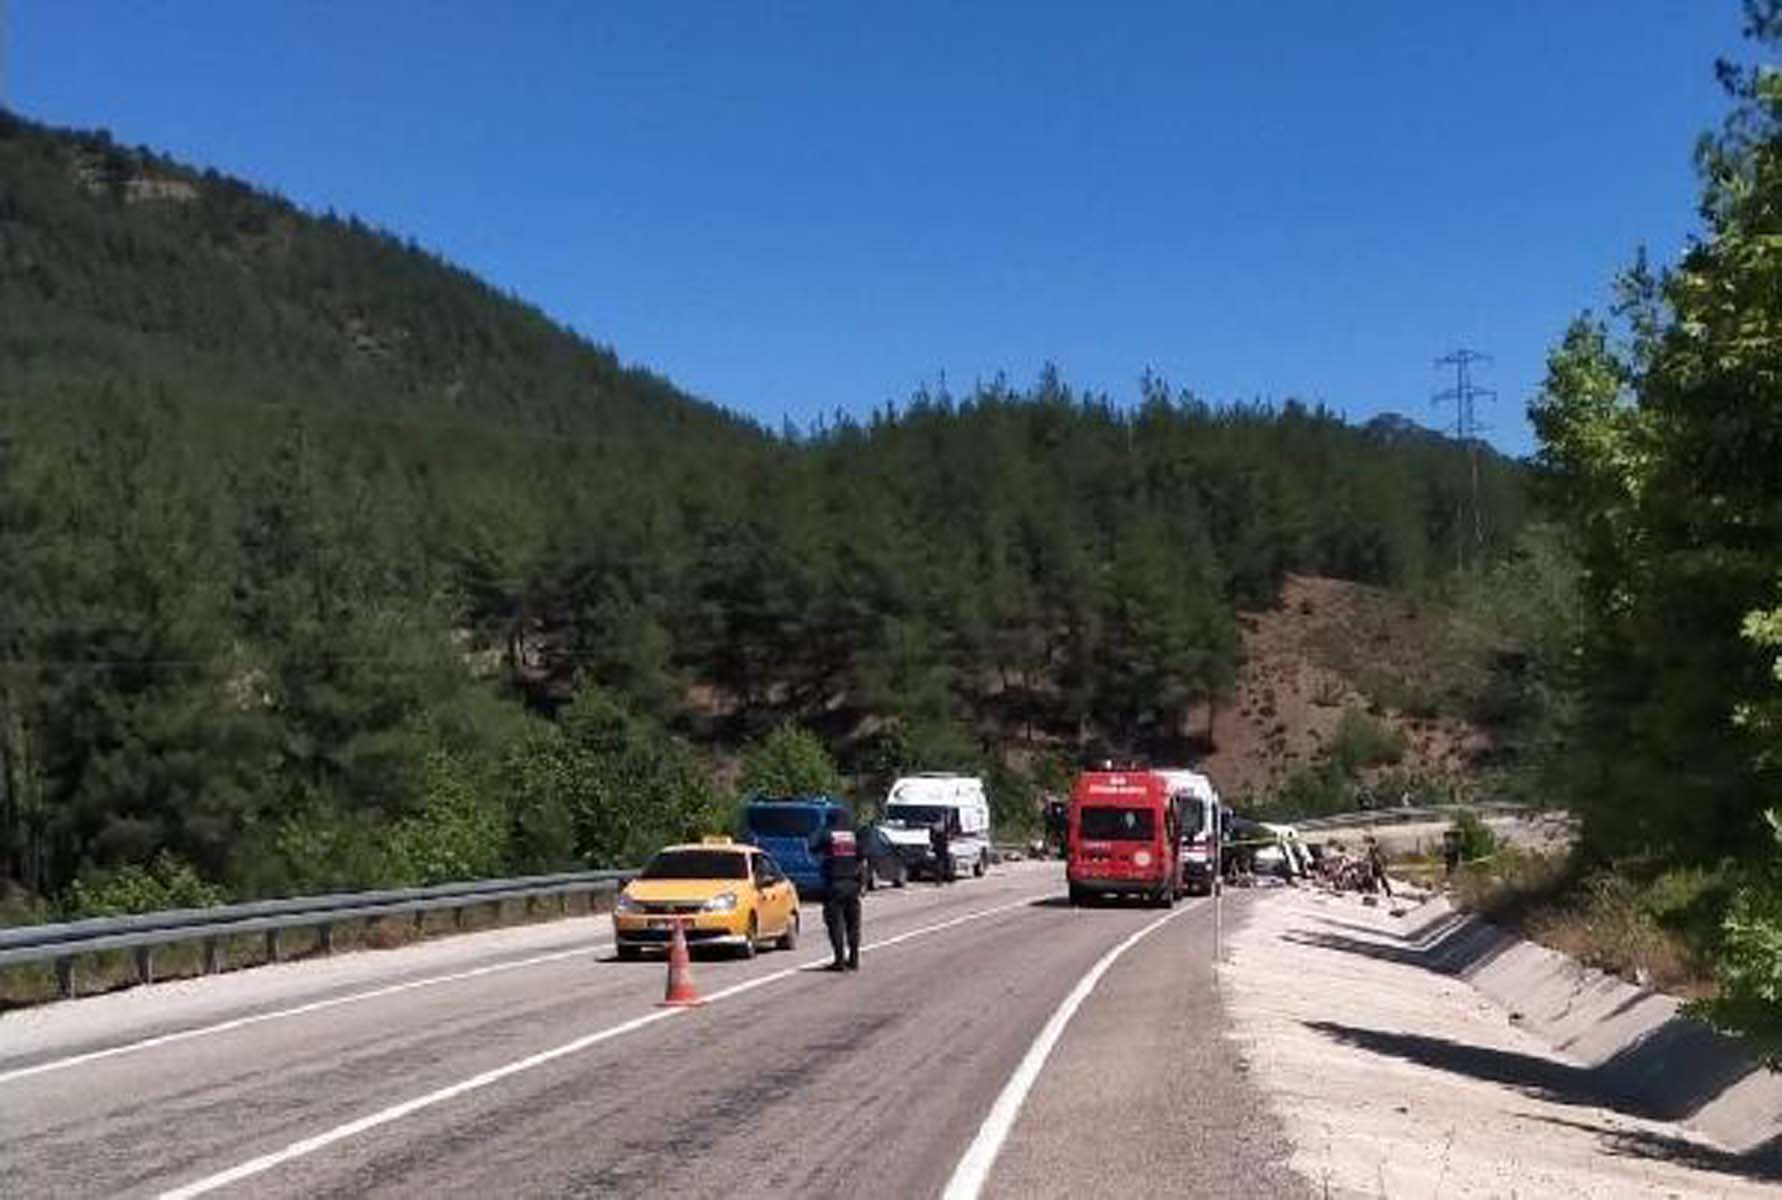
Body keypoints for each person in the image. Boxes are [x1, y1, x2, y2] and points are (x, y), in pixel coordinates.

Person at [810, 820, 864, 971]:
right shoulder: (854, 835)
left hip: (834, 884)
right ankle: (854, 959)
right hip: (853, 885)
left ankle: (839, 961)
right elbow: (863, 855)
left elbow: (812, 847)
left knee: (835, 924)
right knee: (853, 925)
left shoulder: (828, 834)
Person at [930, 817, 952, 884]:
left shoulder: (933, 826)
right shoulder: (944, 825)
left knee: (938, 863)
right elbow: (948, 835)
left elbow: (931, 837)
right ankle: (948, 878)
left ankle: (938, 880)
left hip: (937, 846)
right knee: (946, 862)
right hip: (943, 846)